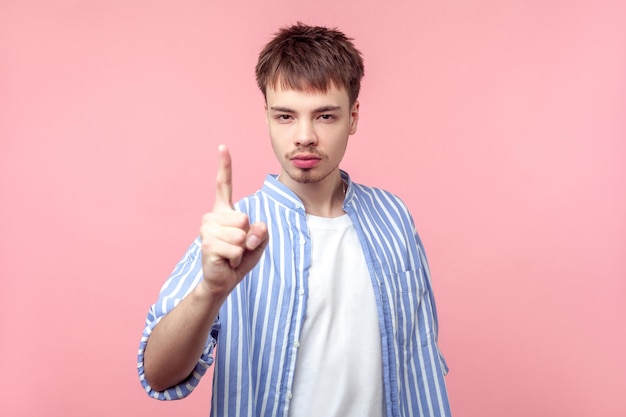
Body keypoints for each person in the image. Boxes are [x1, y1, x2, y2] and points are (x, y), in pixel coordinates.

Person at [138, 22, 451, 417]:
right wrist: (209, 293)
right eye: (286, 116)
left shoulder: (394, 218)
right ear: (267, 115)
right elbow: (158, 375)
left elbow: (421, 364)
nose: (304, 136)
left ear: (353, 117)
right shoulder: (237, 230)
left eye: (324, 116)